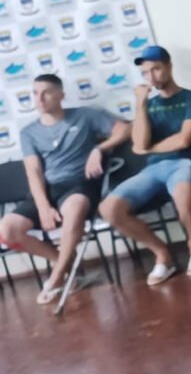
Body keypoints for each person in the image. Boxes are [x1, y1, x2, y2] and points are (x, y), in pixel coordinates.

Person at [0, 74, 129, 304]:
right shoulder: (28, 132)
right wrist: (43, 207)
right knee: (7, 229)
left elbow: (125, 130)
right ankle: (68, 268)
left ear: (60, 95)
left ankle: (57, 276)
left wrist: (100, 148)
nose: (39, 98)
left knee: (75, 208)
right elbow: (34, 172)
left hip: (79, 184)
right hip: (48, 188)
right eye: (35, 93)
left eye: (46, 92)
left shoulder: (85, 115)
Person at [98, 45, 191, 284]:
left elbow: (184, 139)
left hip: (187, 163)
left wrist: (148, 148)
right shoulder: (147, 105)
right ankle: (162, 255)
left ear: (169, 66)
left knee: (183, 190)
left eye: (157, 69)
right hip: (153, 170)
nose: (152, 77)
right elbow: (138, 142)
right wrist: (139, 104)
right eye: (146, 73)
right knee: (109, 208)